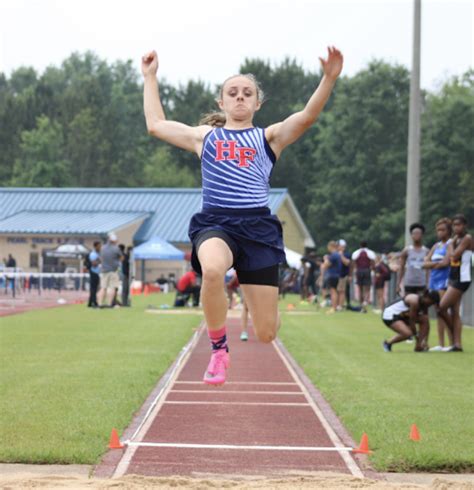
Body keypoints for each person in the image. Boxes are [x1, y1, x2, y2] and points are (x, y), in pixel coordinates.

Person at [142, 46, 343, 385]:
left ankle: (267, 312)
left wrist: (328, 78)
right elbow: (156, 125)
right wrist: (149, 77)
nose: (239, 97)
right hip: (216, 223)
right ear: (221, 102)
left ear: (256, 103)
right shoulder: (205, 136)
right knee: (212, 270)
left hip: (257, 229)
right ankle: (219, 350)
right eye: (232, 93)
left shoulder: (269, 137)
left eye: (247, 93)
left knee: (266, 333)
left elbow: (307, 117)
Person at [436, 214, 472, 352]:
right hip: (453, 277)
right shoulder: (456, 239)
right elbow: (448, 259)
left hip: (462, 278)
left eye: (459, 225)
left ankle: (455, 337)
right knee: (454, 311)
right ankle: (457, 344)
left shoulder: (467, 238)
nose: (456, 227)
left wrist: (450, 245)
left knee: (442, 307)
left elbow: (454, 256)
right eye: (454, 225)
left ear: (465, 226)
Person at [423, 218, 452, 351]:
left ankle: (452, 342)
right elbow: (424, 263)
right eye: (438, 230)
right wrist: (436, 264)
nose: (440, 233)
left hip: (444, 280)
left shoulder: (451, 243)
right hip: (433, 281)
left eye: (442, 230)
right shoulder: (436, 246)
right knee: (438, 312)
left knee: (444, 311)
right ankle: (441, 344)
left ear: (448, 230)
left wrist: (433, 264)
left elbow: (446, 262)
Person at [397, 223, 429, 295]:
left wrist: (428, 283)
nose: (416, 235)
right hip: (409, 282)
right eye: (414, 233)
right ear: (411, 235)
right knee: (409, 303)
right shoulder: (406, 250)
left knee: (421, 304)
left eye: (418, 233)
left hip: (422, 283)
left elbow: (428, 269)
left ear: (422, 235)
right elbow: (401, 267)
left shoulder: (426, 251)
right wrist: (398, 284)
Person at [97, 233, 123, 308]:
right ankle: (109, 304)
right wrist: (117, 262)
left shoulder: (103, 248)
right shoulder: (116, 248)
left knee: (103, 287)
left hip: (104, 270)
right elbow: (121, 258)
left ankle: (100, 304)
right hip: (113, 270)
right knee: (112, 287)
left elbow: (101, 258)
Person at [352, 241, 376, 312]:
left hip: (359, 270)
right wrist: (373, 270)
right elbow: (372, 262)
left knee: (360, 288)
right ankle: (365, 301)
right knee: (367, 288)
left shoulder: (356, 253)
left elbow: (353, 262)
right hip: (367, 270)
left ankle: (361, 303)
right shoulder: (370, 253)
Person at [320, 241, 341, 314]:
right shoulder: (337, 254)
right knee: (334, 291)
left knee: (333, 291)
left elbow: (326, 265)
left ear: (331, 246)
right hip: (336, 275)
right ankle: (335, 307)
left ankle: (333, 308)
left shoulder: (333, 255)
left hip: (332, 275)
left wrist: (325, 259)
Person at [337, 239, 351, 310]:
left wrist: (341, 255)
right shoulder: (336, 253)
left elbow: (347, 263)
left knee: (341, 291)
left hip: (343, 275)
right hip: (336, 275)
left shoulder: (347, 254)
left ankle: (340, 305)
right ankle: (337, 304)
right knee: (337, 290)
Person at [87, 241, 101, 307]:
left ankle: (90, 303)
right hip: (93, 272)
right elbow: (94, 264)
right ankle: (94, 302)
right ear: (95, 246)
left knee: (94, 288)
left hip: (96, 272)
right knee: (93, 288)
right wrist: (99, 260)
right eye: (99, 246)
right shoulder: (93, 254)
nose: (100, 247)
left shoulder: (97, 254)